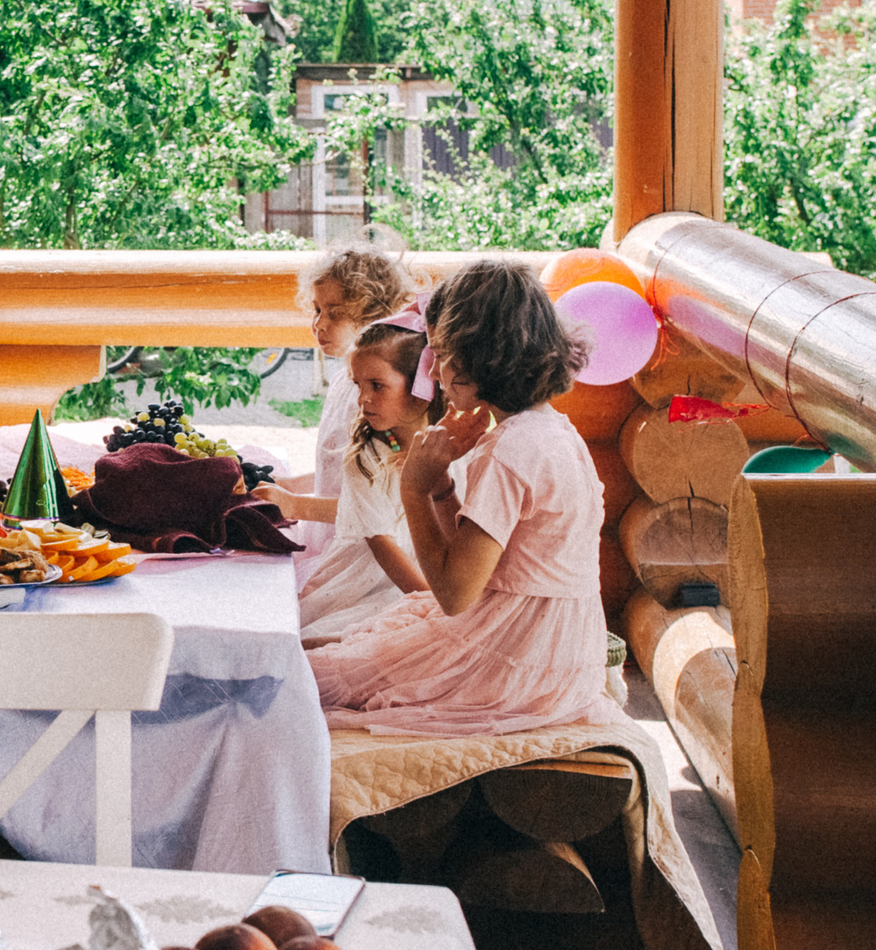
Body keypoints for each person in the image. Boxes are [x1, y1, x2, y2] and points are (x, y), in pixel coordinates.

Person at [311, 258, 612, 734]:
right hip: (559, 647)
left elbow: (453, 595)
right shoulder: (552, 429)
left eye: (440, 354)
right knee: (338, 655)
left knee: (317, 681)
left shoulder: (514, 449)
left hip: (518, 654)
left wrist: (415, 487)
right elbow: (476, 555)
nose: (434, 371)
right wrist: (443, 485)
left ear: (476, 358)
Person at [296, 313, 440, 646]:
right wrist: (432, 602)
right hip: (371, 583)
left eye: (377, 385)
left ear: (422, 386)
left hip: (432, 574)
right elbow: (384, 546)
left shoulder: (451, 447)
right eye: (358, 385)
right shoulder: (366, 458)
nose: (363, 398)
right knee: (343, 640)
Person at [260, 246, 414, 539]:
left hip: (363, 545)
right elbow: (346, 472)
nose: (318, 324)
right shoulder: (346, 380)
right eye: (318, 310)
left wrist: (295, 506)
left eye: (336, 313)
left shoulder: (378, 399)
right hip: (329, 532)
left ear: (376, 315)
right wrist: (293, 486)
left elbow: (378, 502)